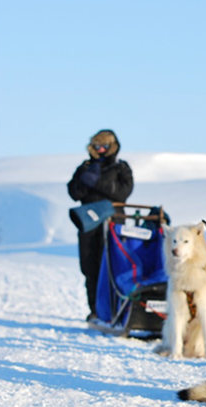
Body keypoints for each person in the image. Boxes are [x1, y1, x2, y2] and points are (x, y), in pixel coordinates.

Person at [67, 129, 134, 320]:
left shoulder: (121, 168)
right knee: (90, 266)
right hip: (88, 223)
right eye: (97, 146)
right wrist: (85, 180)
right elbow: (73, 193)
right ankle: (96, 310)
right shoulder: (85, 167)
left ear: (112, 147)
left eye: (105, 146)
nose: (101, 150)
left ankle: (115, 309)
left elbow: (123, 192)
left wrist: (96, 182)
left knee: (113, 264)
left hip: (113, 222)